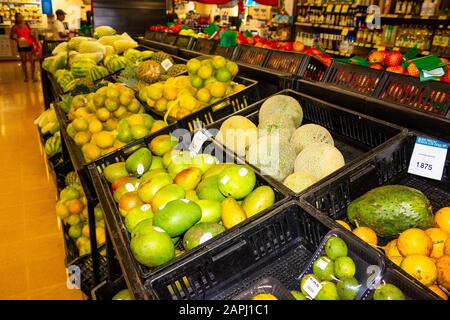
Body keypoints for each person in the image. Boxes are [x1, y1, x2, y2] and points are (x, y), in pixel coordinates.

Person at [9, 13, 38, 82]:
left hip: (29, 44)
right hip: (21, 45)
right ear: (16, 19)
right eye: (19, 17)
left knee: (32, 61)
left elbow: (31, 34)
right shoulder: (15, 27)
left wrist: (32, 34)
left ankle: (33, 76)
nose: (21, 18)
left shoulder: (26, 24)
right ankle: (26, 77)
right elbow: (11, 36)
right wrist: (17, 39)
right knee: (23, 61)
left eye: (21, 17)